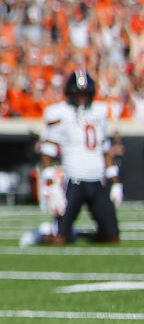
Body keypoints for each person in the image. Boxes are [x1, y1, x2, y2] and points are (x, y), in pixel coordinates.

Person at [33, 70, 121, 245]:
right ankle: (39, 236)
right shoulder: (60, 112)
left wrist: (116, 182)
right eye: (78, 94)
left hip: (96, 180)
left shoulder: (100, 112)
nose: (81, 98)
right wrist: (51, 185)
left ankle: (78, 234)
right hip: (73, 181)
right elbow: (48, 152)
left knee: (113, 237)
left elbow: (105, 149)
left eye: (85, 94)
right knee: (59, 240)